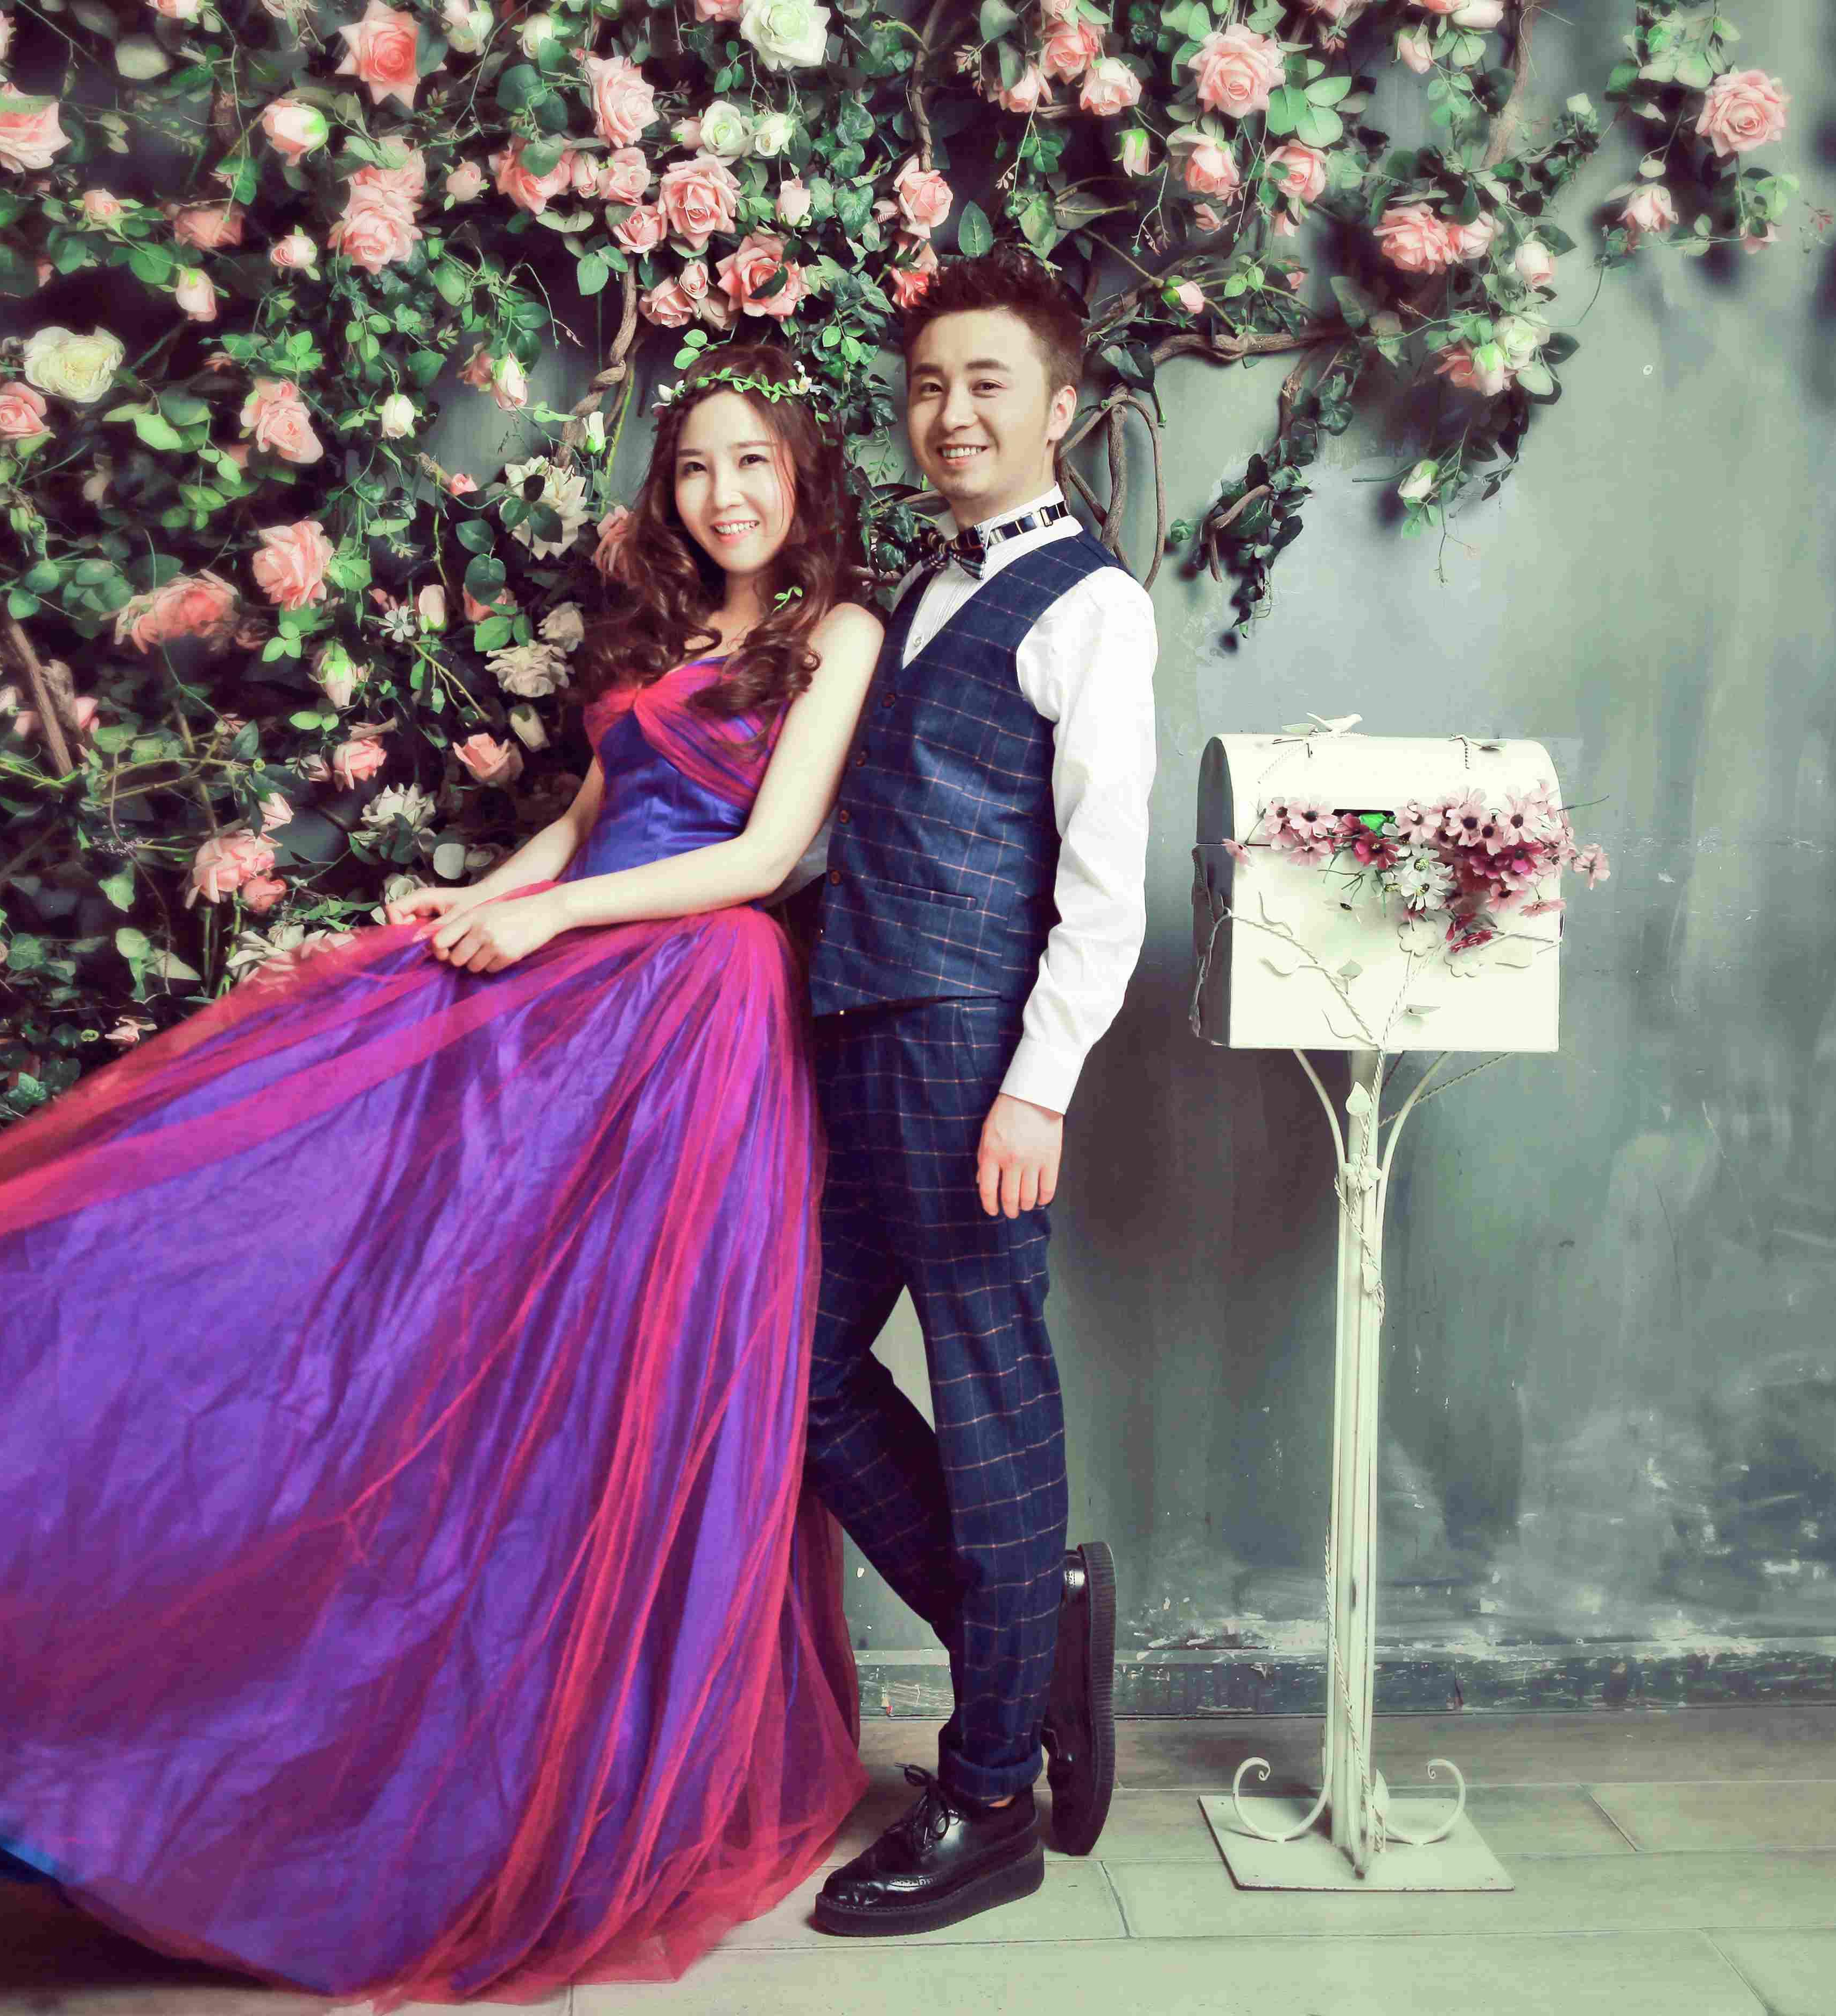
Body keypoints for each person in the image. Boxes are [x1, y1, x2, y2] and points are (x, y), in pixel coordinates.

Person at [0, 342, 885, 2008]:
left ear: (801, 478)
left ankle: (591, 1768)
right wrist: (477, 905)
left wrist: (550, 923)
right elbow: (590, 822)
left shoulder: (838, 635)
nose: (724, 493)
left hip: (695, 1005)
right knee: (388, 1309)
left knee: (615, 1371)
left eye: (753, 463)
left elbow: (764, 855)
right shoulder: (658, 635)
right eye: (696, 466)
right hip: (578, 963)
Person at [799, 249, 1159, 1936]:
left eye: (987, 384)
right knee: (797, 1371)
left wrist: (1039, 1090)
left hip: (968, 1056)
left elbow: (1103, 882)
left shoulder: (1090, 605)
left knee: (990, 1397)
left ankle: (992, 1791)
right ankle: (1030, 1649)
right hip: (855, 1028)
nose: (950, 413)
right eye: (929, 385)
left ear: (1060, 407)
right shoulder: (919, 585)